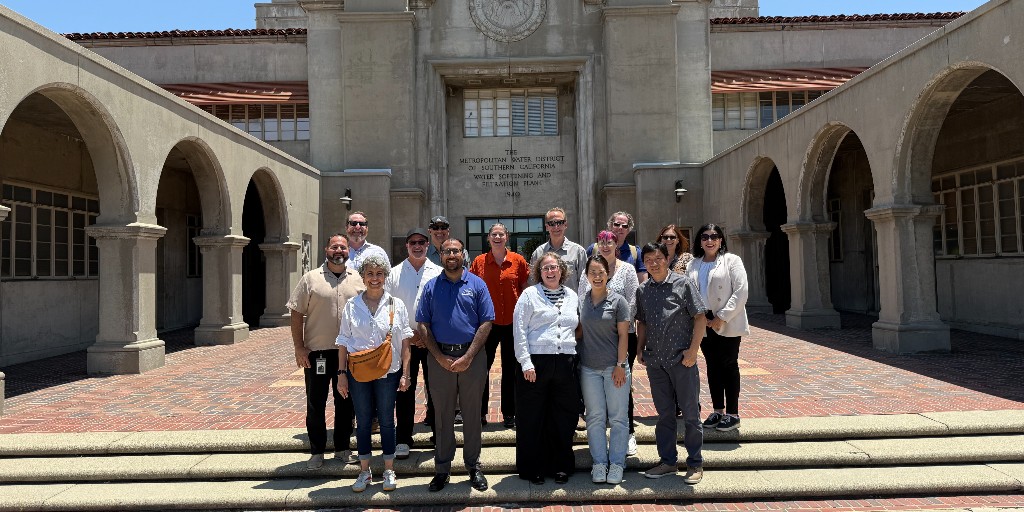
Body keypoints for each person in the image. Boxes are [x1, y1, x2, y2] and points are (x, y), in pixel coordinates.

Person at [416, 238, 494, 493]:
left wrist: (469, 356)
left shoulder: (477, 284)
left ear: (463, 254)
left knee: (472, 415)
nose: (451, 255)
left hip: (472, 357)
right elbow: (423, 325)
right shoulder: (431, 287)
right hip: (440, 359)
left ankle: (473, 466)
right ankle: (442, 469)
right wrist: (439, 357)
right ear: (441, 254)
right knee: (442, 415)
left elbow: (486, 323)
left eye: (456, 251)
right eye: (447, 251)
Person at [336, 256, 415, 492]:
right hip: (358, 372)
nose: (374, 278)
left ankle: (389, 468)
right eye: (370, 273)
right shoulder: (352, 305)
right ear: (363, 276)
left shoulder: (395, 305)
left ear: (385, 276)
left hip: (388, 372)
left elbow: (405, 343)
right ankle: (364, 471)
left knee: (388, 420)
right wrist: (341, 373)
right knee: (362, 421)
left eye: (379, 273)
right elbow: (343, 341)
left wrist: (406, 374)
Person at [286, 234, 364, 470]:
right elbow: (296, 313)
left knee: (345, 403)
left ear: (348, 251)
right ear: (326, 250)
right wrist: (299, 347)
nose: (338, 250)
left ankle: (342, 448)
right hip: (318, 352)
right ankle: (317, 451)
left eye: (342, 247)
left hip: (348, 353)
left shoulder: (357, 279)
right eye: (334, 247)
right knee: (316, 402)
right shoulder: (311, 279)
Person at [636, 242, 708, 484]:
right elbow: (642, 322)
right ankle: (667, 461)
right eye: (648, 260)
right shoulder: (643, 290)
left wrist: (693, 351)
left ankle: (695, 463)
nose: (653, 264)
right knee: (664, 414)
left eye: (657, 258)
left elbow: (699, 317)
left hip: (682, 360)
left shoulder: (683, 283)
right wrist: (639, 349)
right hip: (656, 362)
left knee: (690, 414)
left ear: (666, 259)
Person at [512, 252, 580, 485]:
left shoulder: (572, 296)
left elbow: (575, 327)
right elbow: (519, 330)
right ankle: (534, 467)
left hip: (565, 362)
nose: (550, 272)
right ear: (538, 273)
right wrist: (525, 362)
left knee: (563, 416)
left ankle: (560, 465)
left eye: (554, 267)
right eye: (545, 269)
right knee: (532, 417)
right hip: (536, 363)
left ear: (562, 270)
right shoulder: (530, 295)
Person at [579, 230, 640, 456]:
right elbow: (580, 302)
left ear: (617, 245)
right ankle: (600, 441)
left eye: (609, 242)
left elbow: (633, 301)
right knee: (596, 396)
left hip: (622, 334)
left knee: (622, 385)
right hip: (594, 338)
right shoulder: (590, 269)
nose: (605, 245)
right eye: (601, 242)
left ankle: (628, 433)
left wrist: (617, 320)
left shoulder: (627, 269)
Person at [687, 223, 750, 432]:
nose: (709, 240)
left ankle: (733, 413)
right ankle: (717, 410)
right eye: (705, 237)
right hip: (703, 322)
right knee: (712, 366)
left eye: (714, 236)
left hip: (728, 320)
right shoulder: (693, 264)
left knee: (729, 364)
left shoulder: (732, 261)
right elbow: (690, 292)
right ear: (700, 241)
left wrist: (721, 317)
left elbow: (741, 291)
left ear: (721, 240)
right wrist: (701, 317)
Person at [386, 228, 443, 459]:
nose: (417, 246)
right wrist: (409, 335)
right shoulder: (394, 274)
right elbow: (387, 308)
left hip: (432, 340)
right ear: (406, 246)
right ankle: (403, 438)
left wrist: (426, 335)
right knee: (405, 388)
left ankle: (439, 435)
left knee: (437, 390)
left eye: (421, 242)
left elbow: (443, 309)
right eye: (412, 242)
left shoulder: (438, 273)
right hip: (404, 341)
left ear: (428, 245)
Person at [577, 255, 631, 485]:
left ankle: (617, 463)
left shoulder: (619, 302)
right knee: (595, 417)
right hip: (589, 368)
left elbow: (623, 336)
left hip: (614, 368)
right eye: (593, 273)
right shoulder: (581, 301)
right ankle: (599, 462)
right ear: (587, 276)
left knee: (618, 418)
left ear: (608, 274)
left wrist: (620, 365)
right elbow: (578, 332)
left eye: (601, 272)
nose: (597, 277)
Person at [469, 222, 529, 429]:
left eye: (501, 234)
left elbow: (525, 287)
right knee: (482, 369)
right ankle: (480, 413)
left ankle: (510, 413)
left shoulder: (518, 261)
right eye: (494, 234)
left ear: (507, 237)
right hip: (487, 324)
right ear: (488, 238)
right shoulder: (479, 262)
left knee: (511, 369)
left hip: (513, 323)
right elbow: (471, 290)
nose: (497, 237)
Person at [530, 207, 588, 292]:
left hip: (571, 304)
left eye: (560, 222)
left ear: (565, 225)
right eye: (552, 223)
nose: (556, 227)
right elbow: (533, 283)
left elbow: (585, 284)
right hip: (545, 304)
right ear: (546, 227)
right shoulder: (538, 253)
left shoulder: (578, 252)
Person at [587, 211, 647, 283]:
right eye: (617, 224)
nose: (620, 228)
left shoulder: (636, 252)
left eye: (624, 226)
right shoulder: (593, 249)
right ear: (610, 226)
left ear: (628, 230)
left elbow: (642, 282)